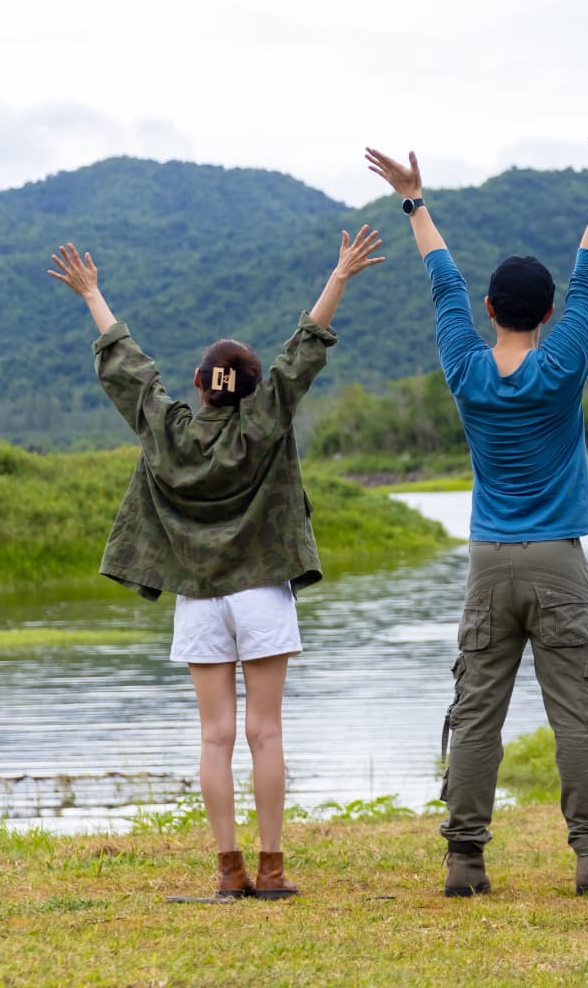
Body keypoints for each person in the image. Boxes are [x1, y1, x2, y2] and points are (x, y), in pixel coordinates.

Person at [47, 226, 386, 901]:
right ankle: (273, 868)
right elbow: (302, 354)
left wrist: (92, 294)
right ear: (251, 391)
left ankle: (227, 872)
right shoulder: (265, 423)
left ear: (200, 388)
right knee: (265, 732)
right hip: (261, 594)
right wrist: (341, 275)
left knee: (216, 737)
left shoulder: (168, 431)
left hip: (199, 599)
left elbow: (129, 370)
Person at [365, 119, 588, 898]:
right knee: (574, 710)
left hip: (488, 559)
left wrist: (414, 200)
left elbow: (441, 281)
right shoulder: (564, 360)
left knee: (478, 709)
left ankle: (464, 861)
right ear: (551, 312)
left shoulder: (464, 365)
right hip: (559, 557)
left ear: (491, 308)